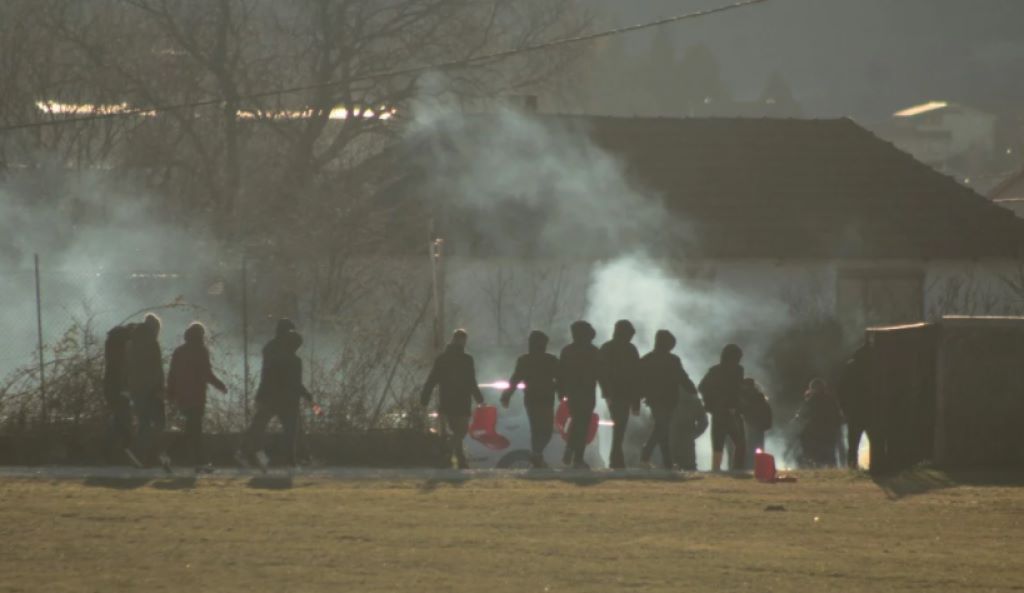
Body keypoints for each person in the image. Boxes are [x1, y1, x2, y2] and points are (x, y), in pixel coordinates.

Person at [240, 326, 315, 470]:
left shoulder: (274, 358)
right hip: (288, 402)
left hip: (271, 399)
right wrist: (306, 395)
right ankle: (290, 460)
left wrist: (262, 395)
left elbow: (268, 379)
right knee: (290, 432)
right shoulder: (295, 361)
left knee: (259, 426)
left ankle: (248, 452)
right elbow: (296, 383)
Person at [166, 322, 227, 473]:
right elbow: (207, 373)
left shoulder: (179, 351)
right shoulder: (201, 351)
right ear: (201, 335)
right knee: (195, 430)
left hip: (182, 397)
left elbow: (172, 374)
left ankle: (175, 457)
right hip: (197, 397)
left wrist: (171, 393)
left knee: (192, 430)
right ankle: (192, 460)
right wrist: (220, 385)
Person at [420, 329, 485, 469]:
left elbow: (432, 380)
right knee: (461, 432)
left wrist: (424, 398)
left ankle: (460, 461)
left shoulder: (442, 358)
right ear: (462, 341)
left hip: (447, 401)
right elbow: (471, 381)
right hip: (462, 402)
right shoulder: (466, 359)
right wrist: (479, 399)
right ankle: (448, 451)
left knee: (456, 431)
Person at [638, 330, 698, 470]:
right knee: (661, 429)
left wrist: (639, 397)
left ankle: (668, 463)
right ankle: (645, 456)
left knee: (662, 430)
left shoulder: (647, 359)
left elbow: (639, 380)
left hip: (653, 400)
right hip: (668, 400)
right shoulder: (673, 360)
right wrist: (693, 390)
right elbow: (682, 377)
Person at [501, 330, 559, 469]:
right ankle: (537, 456)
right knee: (543, 430)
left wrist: (507, 395)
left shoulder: (529, 360)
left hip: (536, 399)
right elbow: (515, 379)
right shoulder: (547, 360)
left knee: (541, 430)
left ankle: (536, 454)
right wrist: (507, 395)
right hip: (541, 399)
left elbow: (515, 379)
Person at [124, 313, 168, 470]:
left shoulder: (132, 342)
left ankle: (144, 455)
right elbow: (156, 369)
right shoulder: (152, 343)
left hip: (136, 388)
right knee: (159, 422)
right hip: (151, 389)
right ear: (155, 328)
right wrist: (160, 388)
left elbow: (129, 366)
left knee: (144, 421)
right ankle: (142, 453)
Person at [558, 321, 601, 469]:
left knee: (577, 421)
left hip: (572, 393)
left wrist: (561, 392)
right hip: (588, 392)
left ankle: (571, 450)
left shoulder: (567, 351)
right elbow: (601, 374)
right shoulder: (594, 351)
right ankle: (578, 458)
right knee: (582, 425)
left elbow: (561, 374)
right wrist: (607, 392)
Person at [598, 320, 641, 470]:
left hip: (614, 395)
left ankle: (616, 459)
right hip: (623, 395)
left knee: (619, 427)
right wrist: (636, 403)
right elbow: (637, 377)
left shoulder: (606, 348)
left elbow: (602, 374)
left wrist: (606, 394)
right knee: (620, 427)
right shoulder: (631, 349)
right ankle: (616, 460)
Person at [699, 344, 747, 471]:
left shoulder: (714, 370)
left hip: (717, 411)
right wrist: (734, 405)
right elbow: (736, 389)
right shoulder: (738, 370)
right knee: (740, 442)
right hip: (731, 411)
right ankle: (737, 468)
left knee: (718, 442)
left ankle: (716, 469)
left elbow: (702, 387)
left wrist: (711, 403)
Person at [102, 324, 141, 467]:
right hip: (118, 389)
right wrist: (124, 388)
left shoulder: (112, 345)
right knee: (124, 422)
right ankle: (121, 453)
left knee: (119, 421)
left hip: (111, 388)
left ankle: (113, 454)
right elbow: (122, 370)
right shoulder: (122, 349)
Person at [795, 378, 844, 468]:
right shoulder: (830, 400)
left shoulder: (810, 401)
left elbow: (801, 415)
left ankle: (812, 467)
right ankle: (832, 470)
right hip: (829, 433)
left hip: (814, 433)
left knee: (812, 453)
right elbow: (838, 417)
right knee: (830, 456)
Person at [838, 343, 871, 469]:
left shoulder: (850, 368)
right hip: (869, 411)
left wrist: (845, 409)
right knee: (875, 441)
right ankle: (877, 466)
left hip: (854, 412)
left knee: (853, 444)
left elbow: (840, 390)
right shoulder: (873, 368)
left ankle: (852, 467)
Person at [670, 389, 708, 471]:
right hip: (688, 439)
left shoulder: (668, 398)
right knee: (690, 467)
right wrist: (695, 434)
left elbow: (656, 419)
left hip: (671, 438)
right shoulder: (694, 400)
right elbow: (704, 422)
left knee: (670, 468)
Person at [738, 377, 773, 464]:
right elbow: (768, 414)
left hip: (748, 427)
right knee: (758, 448)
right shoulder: (761, 398)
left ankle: (748, 465)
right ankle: (757, 466)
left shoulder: (744, 398)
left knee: (748, 449)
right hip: (758, 428)